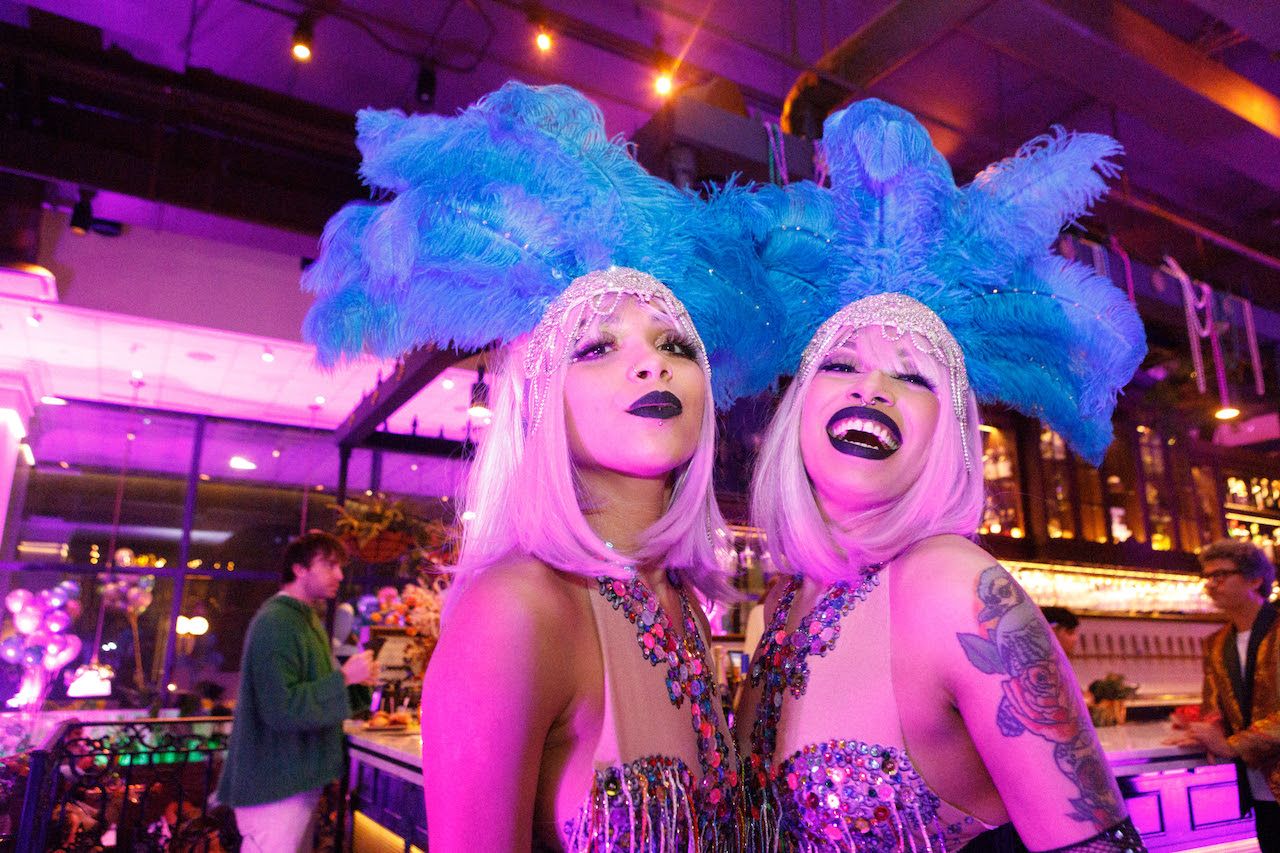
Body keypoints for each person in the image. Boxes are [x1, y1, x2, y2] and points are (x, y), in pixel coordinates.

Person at [302, 82, 779, 851]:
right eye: (598, 347)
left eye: (674, 344)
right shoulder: (517, 609)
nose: (651, 368)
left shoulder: (678, 602)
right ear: (534, 404)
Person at [736, 99, 1148, 851]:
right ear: (798, 405)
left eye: (914, 377)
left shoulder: (955, 586)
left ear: (949, 433)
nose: (873, 389)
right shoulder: (787, 600)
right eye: (842, 363)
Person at [214, 531, 377, 853]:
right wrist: (344, 677)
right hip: (274, 783)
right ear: (300, 569)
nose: (340, 575)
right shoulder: (277, 621)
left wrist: (359, 684)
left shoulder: (305, 620)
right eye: (329, 565)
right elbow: (281, 708)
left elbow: (314, 690)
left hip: (290, 780)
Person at [1169, 539, 1280, 851]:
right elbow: (1215, 705)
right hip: (1259, 782)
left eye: (1220, 575)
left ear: (1255, 579)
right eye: (1207, 577)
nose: (1210, 585)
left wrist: (1230, 744)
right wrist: (1206, 730)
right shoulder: (1216, 643)